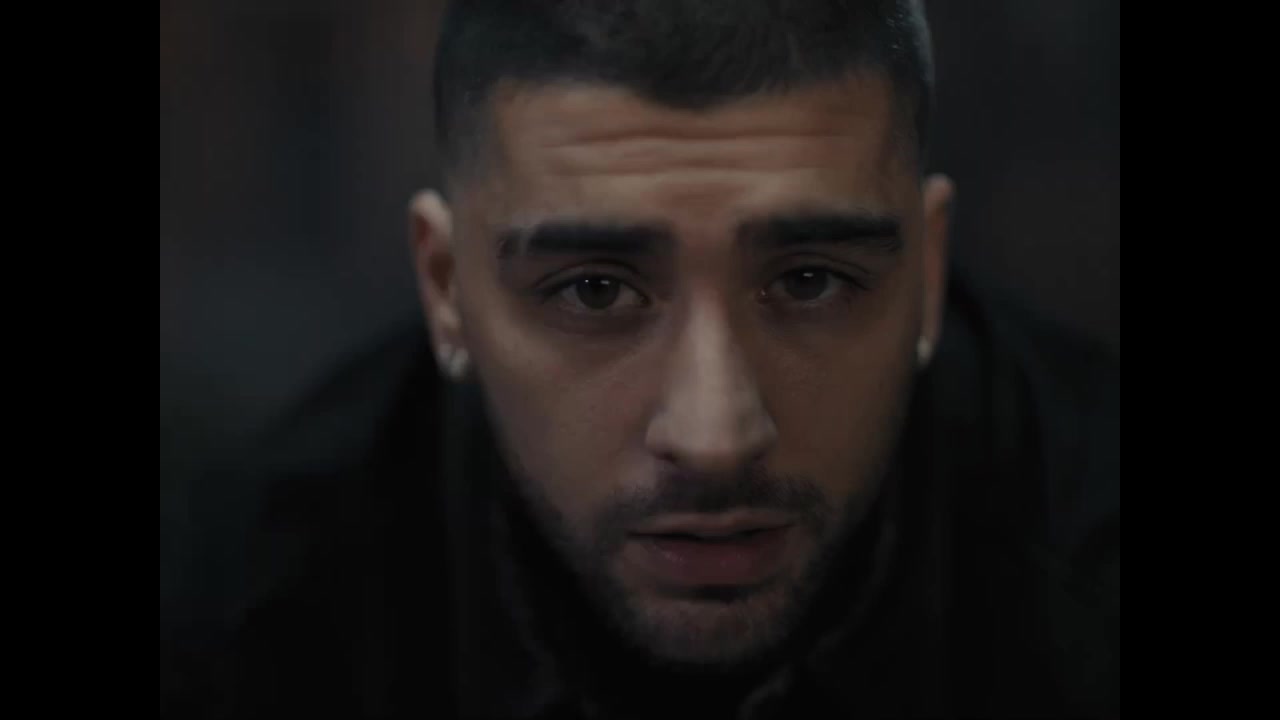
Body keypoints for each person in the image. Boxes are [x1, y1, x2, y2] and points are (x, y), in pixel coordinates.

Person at [162, 1, 1120, 717]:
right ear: (446, 288)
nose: (715, 436)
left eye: (811, 281)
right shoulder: (233, 625)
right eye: (594, 291)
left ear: (928, 270)